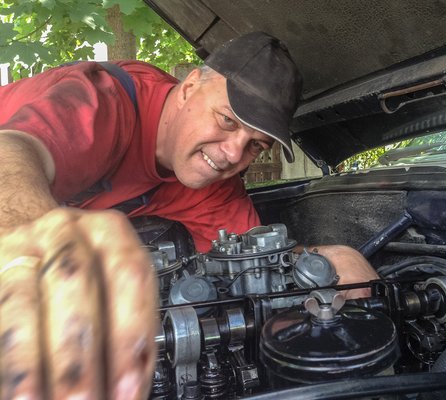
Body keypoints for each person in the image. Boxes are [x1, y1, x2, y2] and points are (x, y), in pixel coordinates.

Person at [0, 32, 378, 399]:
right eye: (227, 121)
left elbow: (256, 263)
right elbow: (12, 154)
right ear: (189, 87)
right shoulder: (103, 101)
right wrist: (39, 250)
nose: (233, 154)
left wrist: (324, 259)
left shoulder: (213, 184)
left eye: (255, 145)